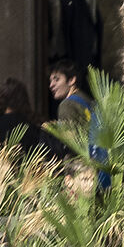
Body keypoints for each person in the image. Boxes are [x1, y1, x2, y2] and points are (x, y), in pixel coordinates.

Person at [48, 58, 108, 189]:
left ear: (72, 80)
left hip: (80, 171)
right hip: (99, 165)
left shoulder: (66, 105)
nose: (51, 85)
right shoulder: (88, 101)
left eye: (56, 79)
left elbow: (70, 142)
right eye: (51, 80)